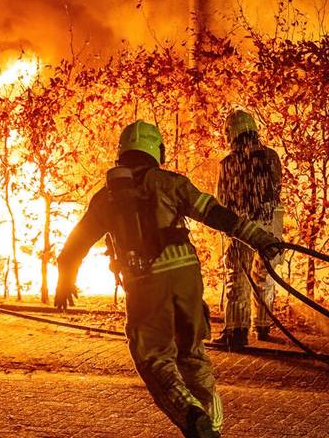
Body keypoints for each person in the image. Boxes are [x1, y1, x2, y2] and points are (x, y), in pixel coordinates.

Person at [55, 121, 284, 438]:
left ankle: (191, 414)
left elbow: (75, 244)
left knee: (154, 359)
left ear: (122, 153)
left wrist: (65, 280)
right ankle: (213, 425)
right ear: (156, 151)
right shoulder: (170, 183)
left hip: (145, 284)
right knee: (193, 355)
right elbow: (215, 213)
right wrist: (259, 238)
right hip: (186, 278)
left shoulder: (106, 198)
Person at [214, 110, 285, 349]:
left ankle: (236, 331)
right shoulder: (271, 157)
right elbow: (276, 188)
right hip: (270, 224)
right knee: (265, 276)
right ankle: (262, 326)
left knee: (238, 276)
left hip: (241, 227)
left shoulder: (229, 163)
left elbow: (221, 200)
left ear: (231, 133)